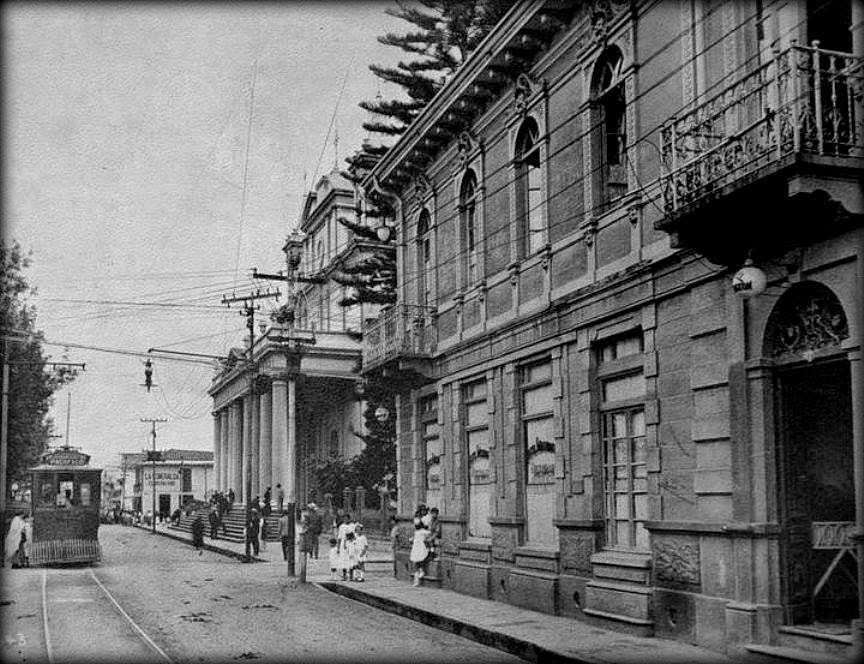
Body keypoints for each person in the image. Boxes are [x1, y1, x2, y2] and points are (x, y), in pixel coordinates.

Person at [409, 520, 432, 587]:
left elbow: (428, 533)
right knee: (418, 561)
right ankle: (420, 573)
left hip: (419, 547)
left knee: (418, 561)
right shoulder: (419, 532)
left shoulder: (420, 532)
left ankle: (420, 574)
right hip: (417, 547)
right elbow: (429, 533)